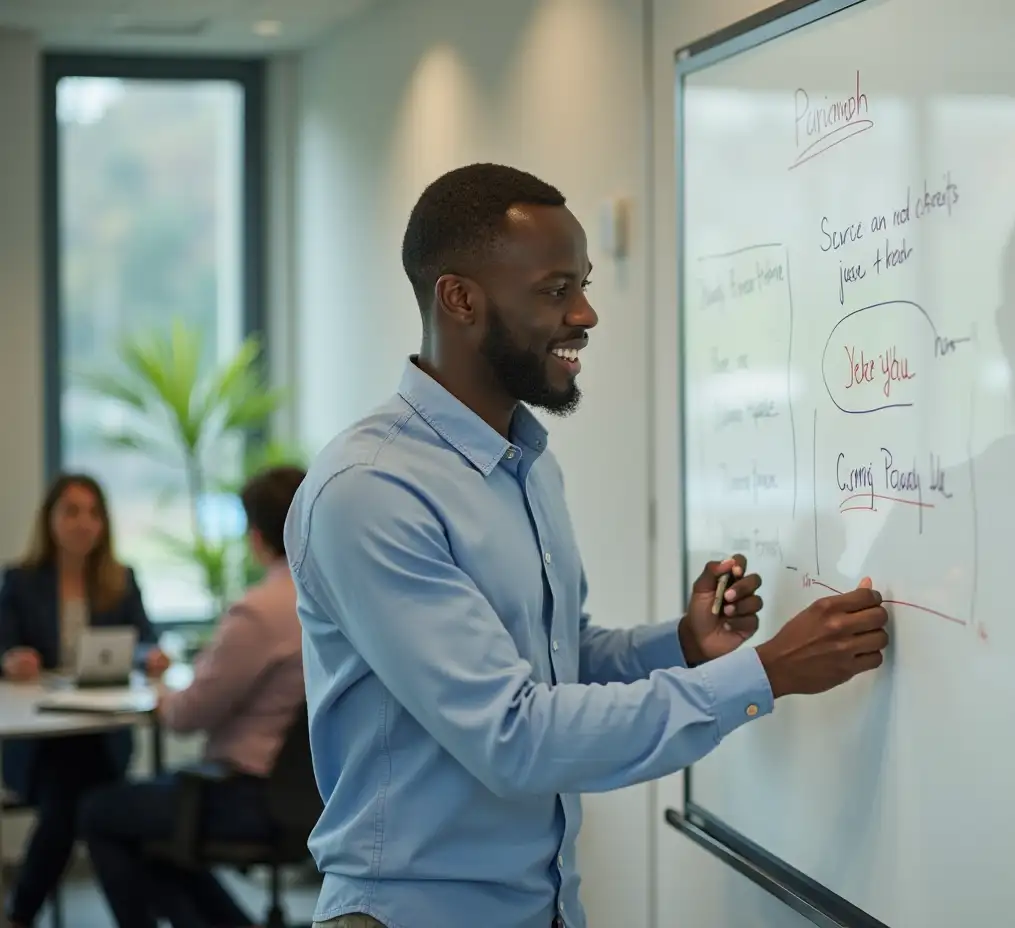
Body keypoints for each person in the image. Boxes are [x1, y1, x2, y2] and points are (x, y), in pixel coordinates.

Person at [285, 163, 889, 928]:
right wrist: (765, 673)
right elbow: (514, 736)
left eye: (585, 284)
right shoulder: (370, 492)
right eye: (555, 290)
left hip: (548, 908)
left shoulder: (525, 463)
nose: (588, 314)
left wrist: (683, 644)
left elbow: (557, 658)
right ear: (461, 299)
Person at [79, 465, 308, 928]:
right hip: (314, 795)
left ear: (257, 535)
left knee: (99, 812)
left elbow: (188, 715)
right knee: (154, 840)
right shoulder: (333, 596)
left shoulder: (261, 611)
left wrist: (163, 694)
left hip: (247, 794)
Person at [0, 473, 169, 928]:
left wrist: (149, 655)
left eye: (93, 512)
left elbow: (143, 639)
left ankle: (19, 913)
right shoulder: (20, 581)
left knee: (75, 799)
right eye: (71, 511)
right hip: (36, 745)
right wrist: (12, 659)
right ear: (50, 519)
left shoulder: (120, 579)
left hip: (101, 735)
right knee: (75, 800)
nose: (83, 523)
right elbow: (4, 647)